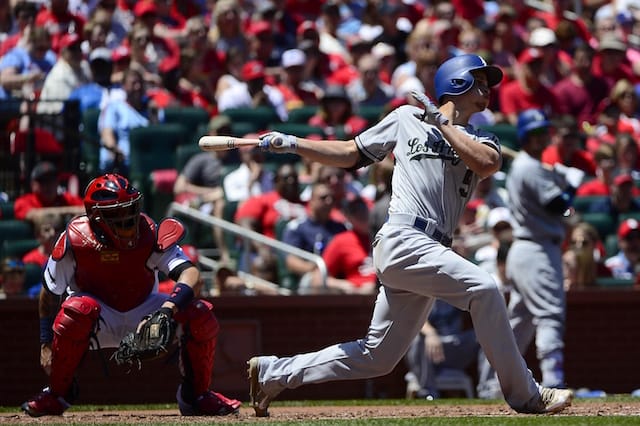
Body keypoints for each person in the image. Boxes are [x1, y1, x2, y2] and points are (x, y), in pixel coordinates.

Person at [246, 54, 574, 417]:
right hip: (403, 237)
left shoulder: (484, 138)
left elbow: (486, 164)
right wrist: (293, 143)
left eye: (488, 84)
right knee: (484, 289)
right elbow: (351, 153)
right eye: (478, 82)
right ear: (456, 82)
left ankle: (274, 373)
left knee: (377, 357)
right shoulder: (406, 118)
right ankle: (525, 393)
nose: (486, 91)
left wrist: (443, 125)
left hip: (432, 248)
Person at [20, 173, 241, 417]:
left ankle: (196, 396)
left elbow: (191, 275)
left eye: (131, 210)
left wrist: (167, 310)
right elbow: (50, 292)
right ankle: (57, 394)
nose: (129, 220)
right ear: (96, 217)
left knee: (200, 314)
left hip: (145, 311)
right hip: (95, 318)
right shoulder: (74, 239)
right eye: (118, 214)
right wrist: (45, 343)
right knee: (75, 310)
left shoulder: (149, 232)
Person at [482, 109, 585, 397]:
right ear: (526, 137)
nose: (542, 139)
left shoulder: (531, 166)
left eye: (544, 133)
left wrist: (558, 177)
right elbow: (558, 205)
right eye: (536, 134)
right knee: (549, 314)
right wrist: (572, 185)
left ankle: (492, 384)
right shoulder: (530, 167)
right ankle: (554, 380)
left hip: (526, 249)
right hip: (537, 249)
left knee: (520, 321)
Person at [404, 299, 479, 400]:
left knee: (485, 336)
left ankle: (490, 391)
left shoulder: (459, 289)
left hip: (455, 347)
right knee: (416, 338)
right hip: (427, 352)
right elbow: (413, 317)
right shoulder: (421, 289)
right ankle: (428, 394)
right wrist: (430, 333)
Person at [13, 161, 85, 223]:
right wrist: (69, 212)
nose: (48, 185)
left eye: (52, 180)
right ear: (33, 184)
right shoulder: (25, 201)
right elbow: (33, 215)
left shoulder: (66, 199)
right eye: (43, 181)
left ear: (57, 182)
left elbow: (87, 209)